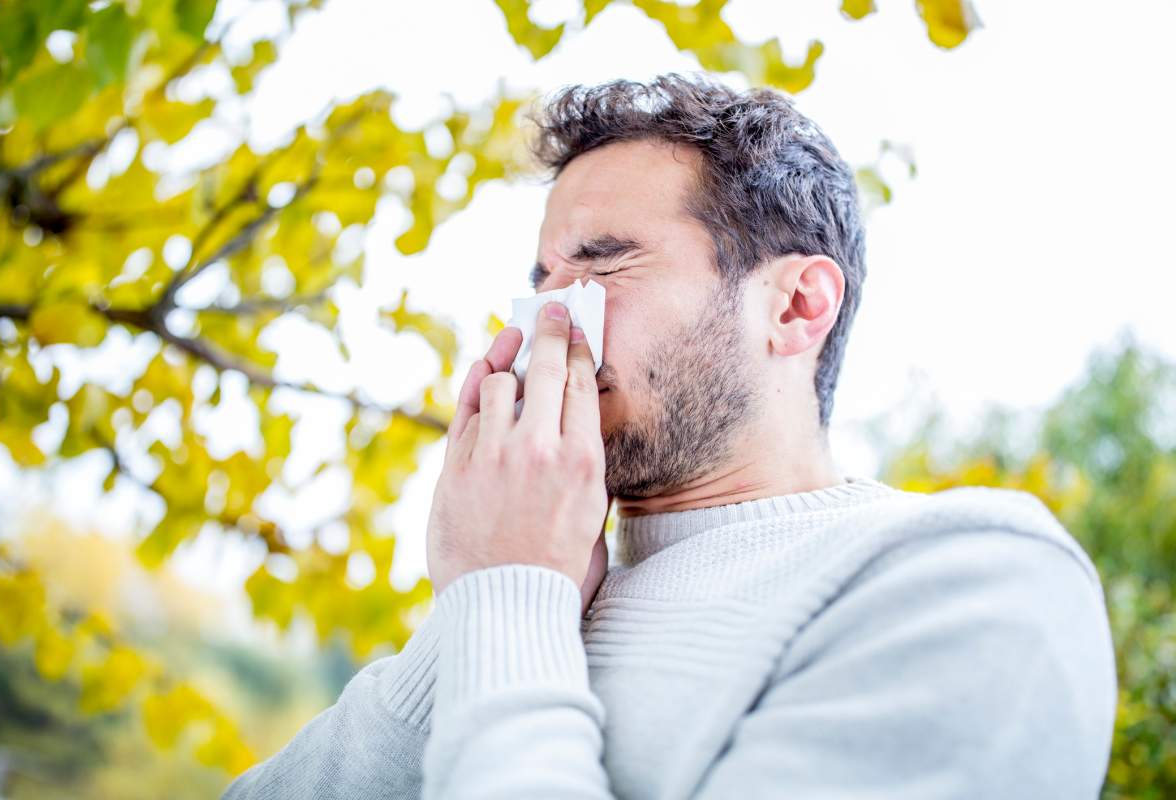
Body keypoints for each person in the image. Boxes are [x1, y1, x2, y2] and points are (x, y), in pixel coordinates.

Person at [224, 72, 1116, 799]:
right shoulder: (537, 589)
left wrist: (506, 602)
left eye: (606, 262)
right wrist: (484, 613)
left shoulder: (965, 581)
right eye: (542, 277)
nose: (549, 318)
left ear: (797, 306)